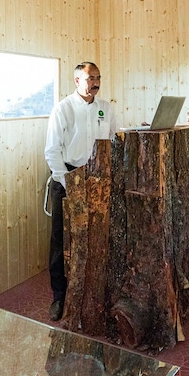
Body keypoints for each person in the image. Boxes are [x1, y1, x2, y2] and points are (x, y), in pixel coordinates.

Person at [44, 62, 117, 320]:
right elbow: (52, 150)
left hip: (98, 178)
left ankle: (97, 293)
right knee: (62, 240)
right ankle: (59, 297)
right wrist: (68, 183)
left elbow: (114, 139)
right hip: (67, 177)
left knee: (98, 236)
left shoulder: (105, 108)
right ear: (77, 81)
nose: (95, 82)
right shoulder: (63, 109)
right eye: (90, 78)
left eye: (98, 77)